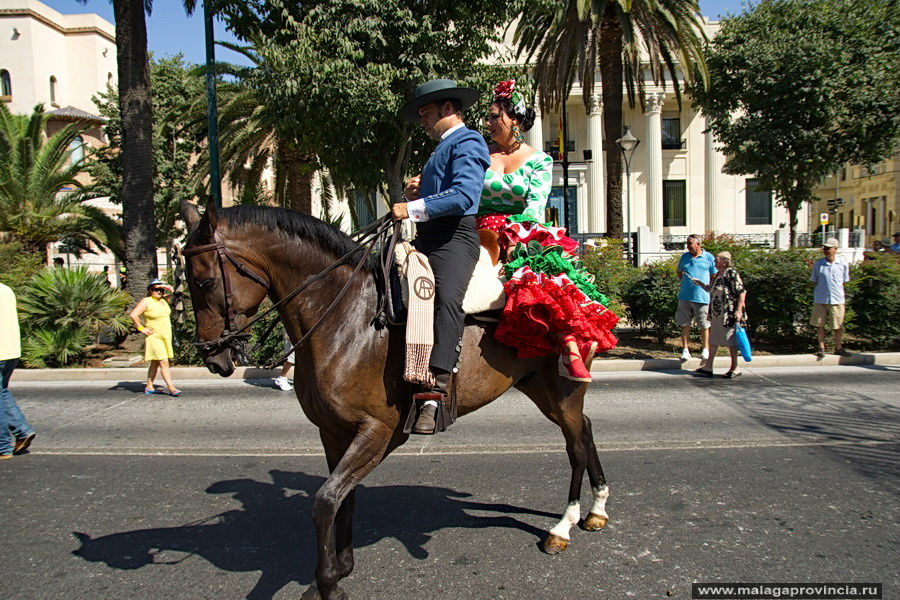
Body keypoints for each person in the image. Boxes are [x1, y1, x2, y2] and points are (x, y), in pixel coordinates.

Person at [475, 79, 618, 382]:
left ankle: (569, 348)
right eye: (488, 117)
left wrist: (517, 236)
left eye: (494, 116)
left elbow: (535, 205)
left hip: (518, 232)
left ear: (514, 119)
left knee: (542, 274)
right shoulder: (479, 154)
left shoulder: (539, 159)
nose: (488, 122)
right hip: (477, 232)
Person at [392, 78, 491, 434]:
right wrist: (419, 188)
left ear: (448, 109)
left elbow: (464, 196)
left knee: (446, 300)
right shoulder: (442, 149)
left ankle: (435, 392)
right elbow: (443, 189)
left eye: (427, 113)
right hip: (429, 237)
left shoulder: (468, 140)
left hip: (454, 239)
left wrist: (412, 207)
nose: (422, 121)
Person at [692, 252, 747, 378]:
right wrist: (700, 283)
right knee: (714, 340)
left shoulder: (731, 273)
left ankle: (735, 367)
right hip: (717, 313)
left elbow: (741, 292)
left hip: (729, 313)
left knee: (730, 341)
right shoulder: (718, 275)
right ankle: (708, 366)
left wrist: (739, 310)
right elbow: (712, 289)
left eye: (717, 260)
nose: (714, 262)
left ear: (724, 262)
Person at [0, 282, 36, 459]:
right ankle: (22, 431)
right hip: (11, 351)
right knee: (2, 393)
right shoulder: (6, 289)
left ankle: (2, 446)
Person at [130, 279, 182, 396]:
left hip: (165, 336)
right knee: (164, 362)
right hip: (154, 337)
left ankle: (149, 386)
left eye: (160, 290)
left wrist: (166, 287)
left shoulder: (164, 300)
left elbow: (175, 293)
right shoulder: (146, 301)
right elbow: (133, 315)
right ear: (149, 290)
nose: (158, 291)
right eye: (155, 289)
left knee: (155, 363)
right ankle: (171, 387)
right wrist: (141, 328)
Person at [676, 235, 717, 361]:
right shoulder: (685, 257)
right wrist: (684, 283)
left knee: (704, 324)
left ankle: (705, 349)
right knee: (684, 324)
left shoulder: (708, 257)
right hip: (684, 296)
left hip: (702, 297)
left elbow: (714, 275)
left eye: (690, 244)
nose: (687, 246)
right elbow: (679, 271)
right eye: (687, 244)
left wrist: (706, 286)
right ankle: (685, 350)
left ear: (698, 244)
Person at [810, 238, 851, 358]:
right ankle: (821, 347)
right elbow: (814, 281)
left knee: (837, 325)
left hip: (837, 299)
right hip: (821, 299)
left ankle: (838, 347)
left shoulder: (842, 264)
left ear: (835, 249)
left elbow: (844, 281)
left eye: (829, 248)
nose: (826, 250)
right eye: (825, 248)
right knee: (819, 324)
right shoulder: (818, 265)